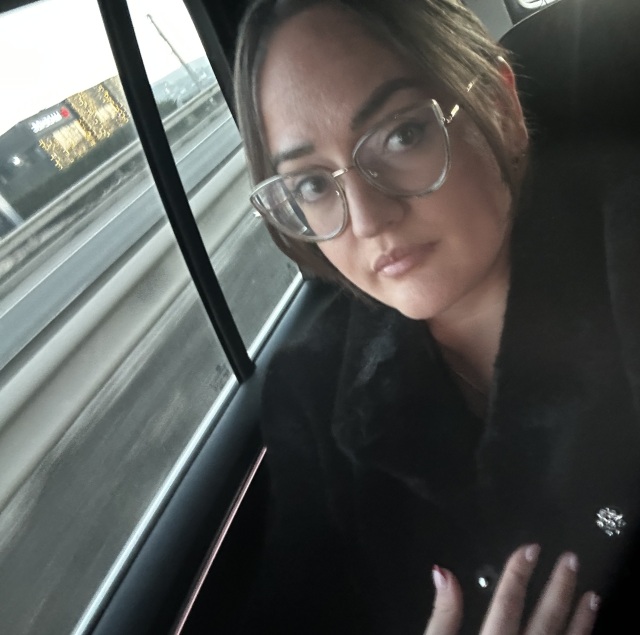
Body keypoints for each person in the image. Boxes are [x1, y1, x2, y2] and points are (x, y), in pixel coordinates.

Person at [232, 0, 640, 632]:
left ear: (500, 109)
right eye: (312, 184)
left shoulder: (624, 255)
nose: (369, 218)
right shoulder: (311, 392)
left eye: (401, 135)